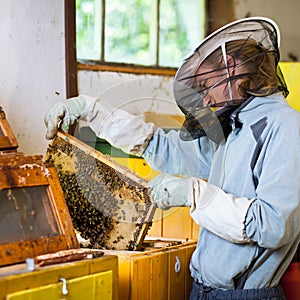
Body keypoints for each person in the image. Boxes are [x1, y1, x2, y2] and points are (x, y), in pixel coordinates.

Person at [44, 17, 300, 299]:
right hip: (203, 290)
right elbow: (162, 148)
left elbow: (274, 226)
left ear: (230, 67)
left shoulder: (286, 127)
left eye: (205, 85)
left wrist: (195, 193)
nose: (205, 100)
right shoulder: (233, 130)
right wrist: (93, 111)